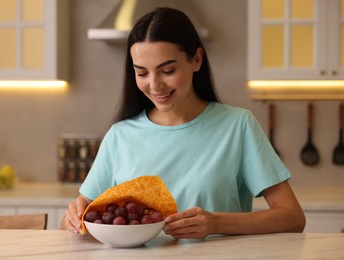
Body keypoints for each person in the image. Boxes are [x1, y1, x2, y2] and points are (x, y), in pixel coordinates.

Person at [61, 7, 305, 239]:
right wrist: (73, 217)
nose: (155, 85)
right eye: (142, 73)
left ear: (196, 59)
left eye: (167, 70)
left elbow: (292, 217)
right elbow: (72, 224)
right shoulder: (120, 135)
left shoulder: (237, 126)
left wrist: (217, 223)